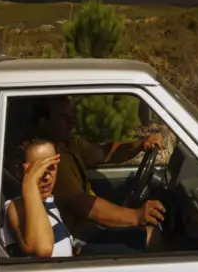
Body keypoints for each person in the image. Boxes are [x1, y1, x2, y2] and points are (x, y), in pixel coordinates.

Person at [30, 96, 166, 253]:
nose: (71, 123)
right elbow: (83, 204)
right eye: (63, 117)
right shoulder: (48, 162)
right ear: (44, 122)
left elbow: (104, 153)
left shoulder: (70, 145)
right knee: (152, 237)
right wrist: (136, 216)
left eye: (71, 117)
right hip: (75, 240)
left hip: (86, 227)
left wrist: (139, 144)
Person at [0, 136, 75, 258]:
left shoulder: (48, 203)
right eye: (37, 170)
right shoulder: (17, 207)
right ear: (19, 172)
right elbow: (42, 250)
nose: (46, 177)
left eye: (51, 167)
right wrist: (30, 183)